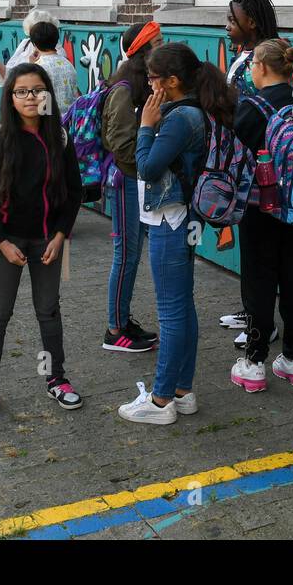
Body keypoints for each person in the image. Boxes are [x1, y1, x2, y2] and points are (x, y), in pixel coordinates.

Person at [117, 42, 232, 425]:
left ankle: (162, 399)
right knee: (182, 305)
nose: (147, 83)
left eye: (152, 77)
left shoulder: (180, 118)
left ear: (172, 80)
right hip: (182, 219)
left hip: (171, 219)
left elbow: (148, 167)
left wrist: (147, 127)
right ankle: (183, 391)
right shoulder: (188, 111)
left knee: (170, 311)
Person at [0, 63, 84, 420]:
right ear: (11, 97)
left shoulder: (60, 137)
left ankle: (57, 379)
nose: (31, 97)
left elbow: (74, 191)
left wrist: (61, 235)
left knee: (48, 311)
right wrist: (1, 243)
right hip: (8, 241)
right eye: (22, 91)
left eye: (37, 90)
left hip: (48, 240)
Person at [229, 38, 293, 392]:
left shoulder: (252, 107)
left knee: (258, 282)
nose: (250, 69)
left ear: (263, 67)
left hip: (260, 208)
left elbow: (232, 155)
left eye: (252, 65)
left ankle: (254, 362)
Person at [100, 21, 165, 354]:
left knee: (132, 253)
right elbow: (120, 144)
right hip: (126, 180)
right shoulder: (125, 89)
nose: (164, 45)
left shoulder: (142, 86)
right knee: (125, 254)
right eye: (159, 41)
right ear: (144, 51)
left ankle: (122, 320)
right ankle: (114, 330)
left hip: (136, 180)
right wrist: (148, 160)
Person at [0, 8, 59, 78]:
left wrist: (31, 66)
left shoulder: (56, 52)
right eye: (32, 32)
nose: (33, 36)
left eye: (37, 31)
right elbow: (8, 74)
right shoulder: (26, 43)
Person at [27, 20, 80, 115]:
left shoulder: (38, 67)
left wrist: (31, 67)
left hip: (50, 122)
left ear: (34, 44)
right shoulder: (68, 64)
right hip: (69, 121)